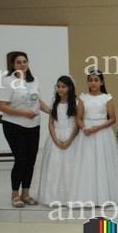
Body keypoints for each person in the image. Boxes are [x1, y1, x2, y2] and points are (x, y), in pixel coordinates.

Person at [0, 51, 51, 208]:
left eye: (24, 61)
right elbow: (2, 106)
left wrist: (52, 111)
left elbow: (38, 101)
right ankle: (15, 194)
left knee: (31, 160)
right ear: (13, 65)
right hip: (14, 125)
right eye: (18, 62)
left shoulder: (34, 81)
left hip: (33, 125)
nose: (22, 64)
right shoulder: (8, 81)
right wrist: (24, 113)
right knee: (21, 159)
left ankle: (25, 193)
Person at [73, 69, 118, 205]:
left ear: (101, 82)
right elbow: (78, 118)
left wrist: (97, 128)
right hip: (87, 133)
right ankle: (87, 196)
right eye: (90, 80)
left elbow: (112, 118)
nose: (93, 83)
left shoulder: (107, 98)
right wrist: (84, 128)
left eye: (96, 80)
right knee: (87, 163)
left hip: (102, 132)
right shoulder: (83, 98)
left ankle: (105, 195)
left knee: (103, 162)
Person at [38, 76, 79, 205]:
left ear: (70, 88)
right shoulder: (54, 103)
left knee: (70, 167)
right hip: (55, 137)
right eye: (58, 86)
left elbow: (77, 124)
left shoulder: (76, 104)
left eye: (63, 87)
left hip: (71, 137)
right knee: (54, 167)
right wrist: (55, 139)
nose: (60, 89)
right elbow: (50, 123)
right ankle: (54, 197)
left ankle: (71, 196)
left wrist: (69, 140)